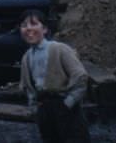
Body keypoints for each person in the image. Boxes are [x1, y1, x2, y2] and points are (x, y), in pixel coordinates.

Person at [19, 9, 90, 143]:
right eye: (24, 25)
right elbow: (27, 87)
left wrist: (68, 103)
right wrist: (35, 107)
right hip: (44, 109)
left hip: (66, 107)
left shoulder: (60, 49)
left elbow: (80, 76)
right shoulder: (26, 58)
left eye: (34, 24)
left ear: (45, 29)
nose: (28, 29)